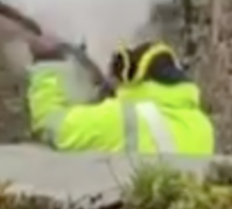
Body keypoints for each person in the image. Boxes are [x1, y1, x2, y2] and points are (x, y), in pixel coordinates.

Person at [25, 34, 215, 155]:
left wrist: (47, 64)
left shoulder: (123, 118)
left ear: (133, 78)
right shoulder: (201, 124)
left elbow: (52, 125)